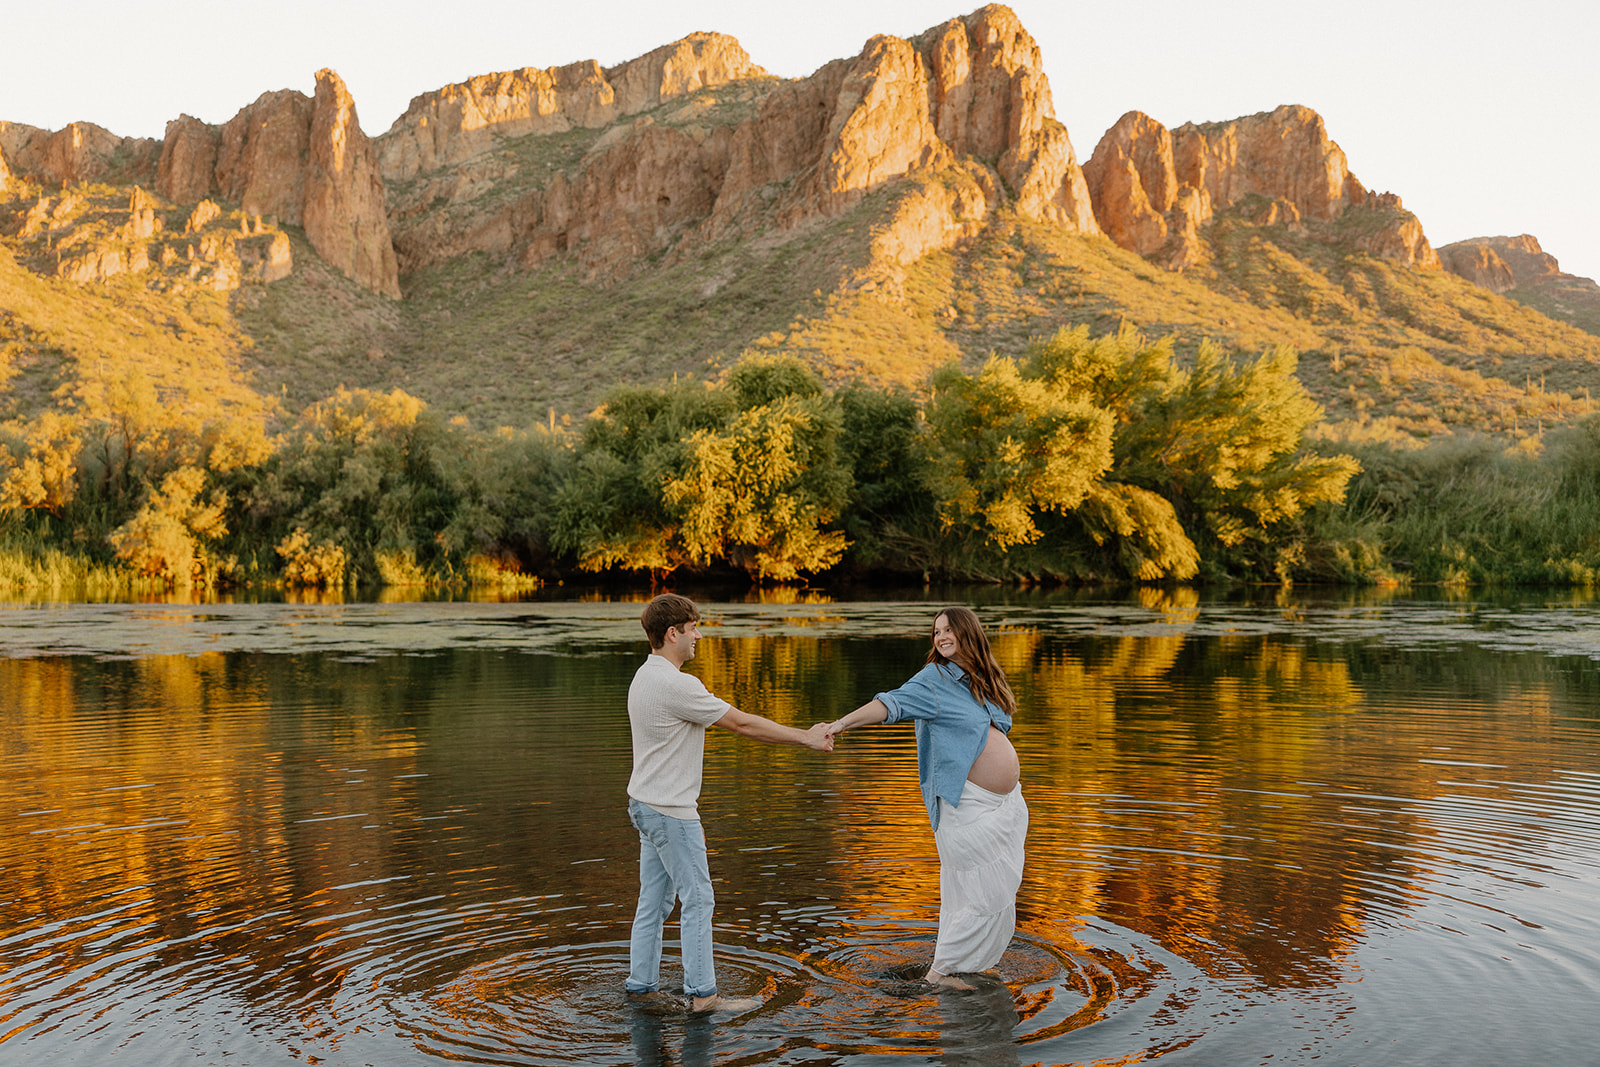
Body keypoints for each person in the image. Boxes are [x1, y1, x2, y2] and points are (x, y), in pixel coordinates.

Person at [625, 592, 834, 1014]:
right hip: (670, 813)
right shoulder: (675, 683)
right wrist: (805, 737)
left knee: (655, 901)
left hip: (644, 806)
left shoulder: (643, 676)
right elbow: (740, 723)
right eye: (692, 628)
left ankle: (641, 986)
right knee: (698, 898)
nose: (697, 636)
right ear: (672, 633)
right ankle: (704, 997)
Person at [825, 606, 1027, 989]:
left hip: (1001, 806)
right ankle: (938, 976)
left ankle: (970, 963)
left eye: (948, 630)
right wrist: (841, 724)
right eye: (936, 632)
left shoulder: (982, 679)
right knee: (977, 893)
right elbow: (890, 704)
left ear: (969, 633)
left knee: (993, 891)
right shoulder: (933, 679)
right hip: (963, 806)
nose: (941, 637)